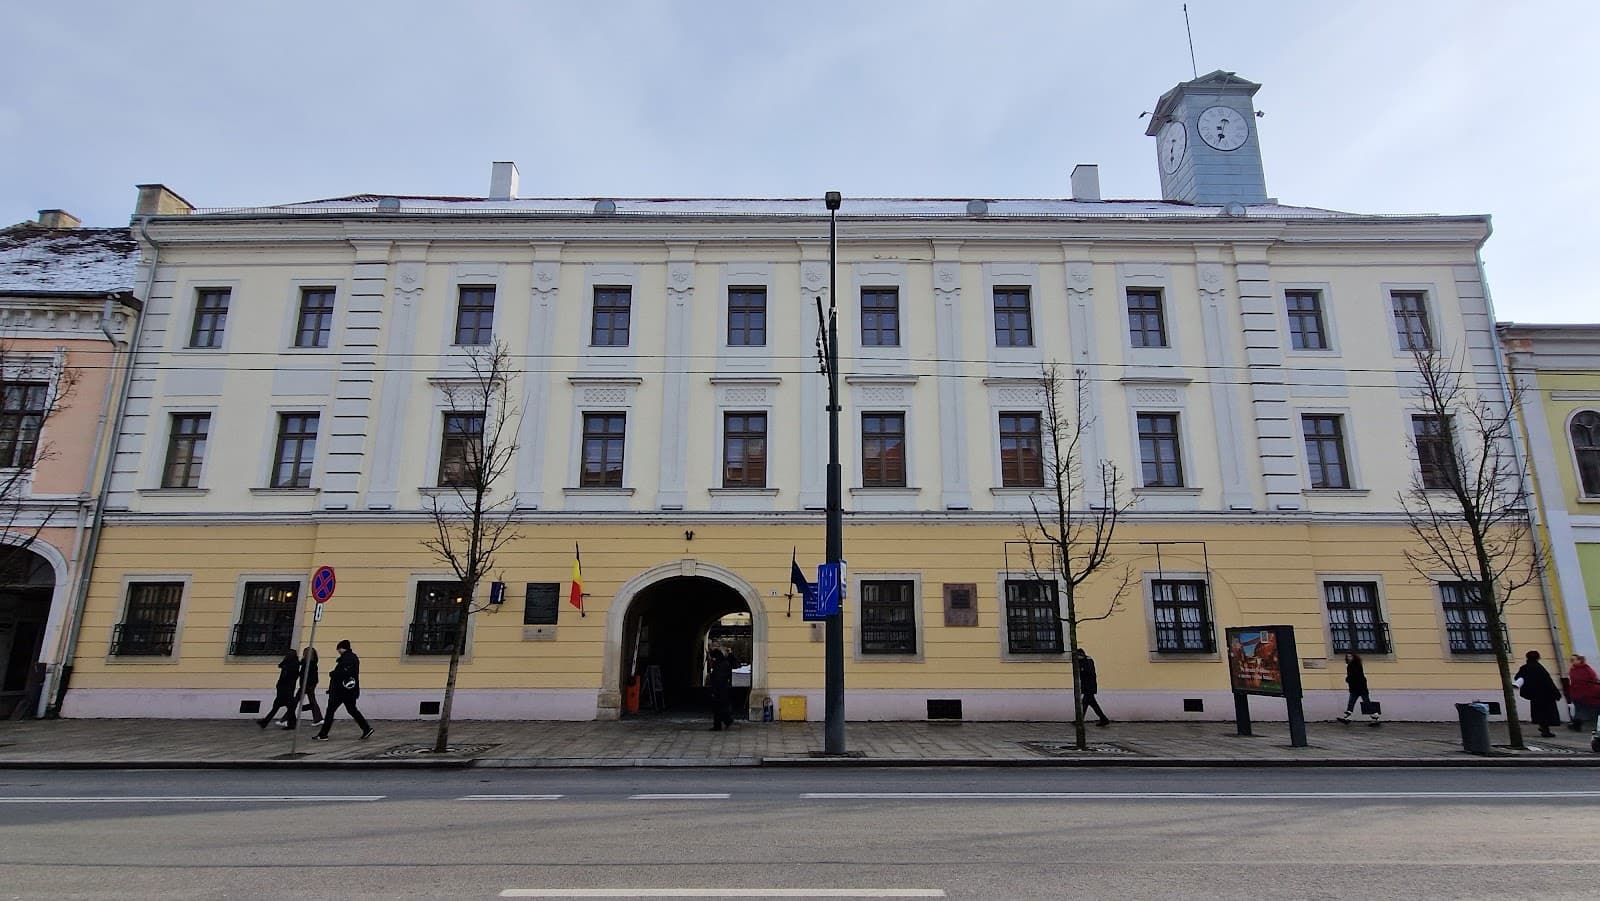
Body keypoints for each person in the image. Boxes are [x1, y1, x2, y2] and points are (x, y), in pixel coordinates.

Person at [314, 639, 373, 741]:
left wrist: (333, 674)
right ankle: (366, 728)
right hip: (348, 690)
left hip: (341, 691)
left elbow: (344, 673)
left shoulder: (347, 659)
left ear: (342, 648)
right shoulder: (351, 657)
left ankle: (323, 734)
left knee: (331, 711)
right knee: (352, 710)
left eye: (339, 649)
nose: (338, 651)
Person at [1515, 649, 1563, 738]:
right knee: (1547, 713)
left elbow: (1518, 678)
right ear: (1538, 658)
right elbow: (1548, 682)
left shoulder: (1525, 667)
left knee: (1539, 712)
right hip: (1545, 694)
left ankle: (1543, 727)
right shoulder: (1539, 668)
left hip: (1534, 695)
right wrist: (1556, 693)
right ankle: (1545, 730)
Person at [256, 648, 300, 730]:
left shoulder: (292, 665)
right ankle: (266, 722)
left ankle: (266, 722)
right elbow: (280, 666)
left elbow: (287, 676)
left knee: (281, 706)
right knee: (288, 707)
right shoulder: (290, 663)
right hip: (286, 689)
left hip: (286, 689)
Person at [1336, 652, 1380, 726]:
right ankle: (1347, 718)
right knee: (1352, 702)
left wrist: (1348, 679)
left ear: (1354, 657)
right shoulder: (1350, 665)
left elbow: (1355, 676)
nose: (1349, 658)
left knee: (1366, 702)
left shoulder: (1356, 665)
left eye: (1350, 656)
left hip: (1360, 688)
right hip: (1355, 688)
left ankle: (1375, 717)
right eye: (1347, 656)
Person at [1073, 648, 1110, 727]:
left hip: (1089, 687)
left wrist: (1081, 670)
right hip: (1088, 686)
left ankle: (1079, 721)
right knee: (1093, 704)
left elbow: (1088, 673)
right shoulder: (1085, 661)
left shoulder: (1087, 662)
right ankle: (1103, 719)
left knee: (1085, 704)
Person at [706, 643, 738, 731]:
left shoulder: (718, 665)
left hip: (719, 688)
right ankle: (725, 722)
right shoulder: (725, 662)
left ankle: (722, 723)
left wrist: (713, 690)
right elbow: (735, 664)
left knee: (717, 708)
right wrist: (730, 654)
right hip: (724, 688)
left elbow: (717, 678)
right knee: (722, 707)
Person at [1567, 653, 1600, 734]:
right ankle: (1577, 725)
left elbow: (1593, 679)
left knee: (1590, 709)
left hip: (1588, 693)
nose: (1571, 661)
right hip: (1578, 693)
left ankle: (1577, 725)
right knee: (1580, 709)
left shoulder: (1585, 669)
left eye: (1573, 660)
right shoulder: (1574, 669)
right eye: (1571, 660)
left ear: (1580, 660)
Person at [299, 646, 323, 726]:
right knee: (312, 700)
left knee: (295, 701)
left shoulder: (308, 663)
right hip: (310, 684)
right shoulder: (312, 663)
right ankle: (318, 718)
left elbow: (304, 674)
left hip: (307, 684)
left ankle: (286, 718)